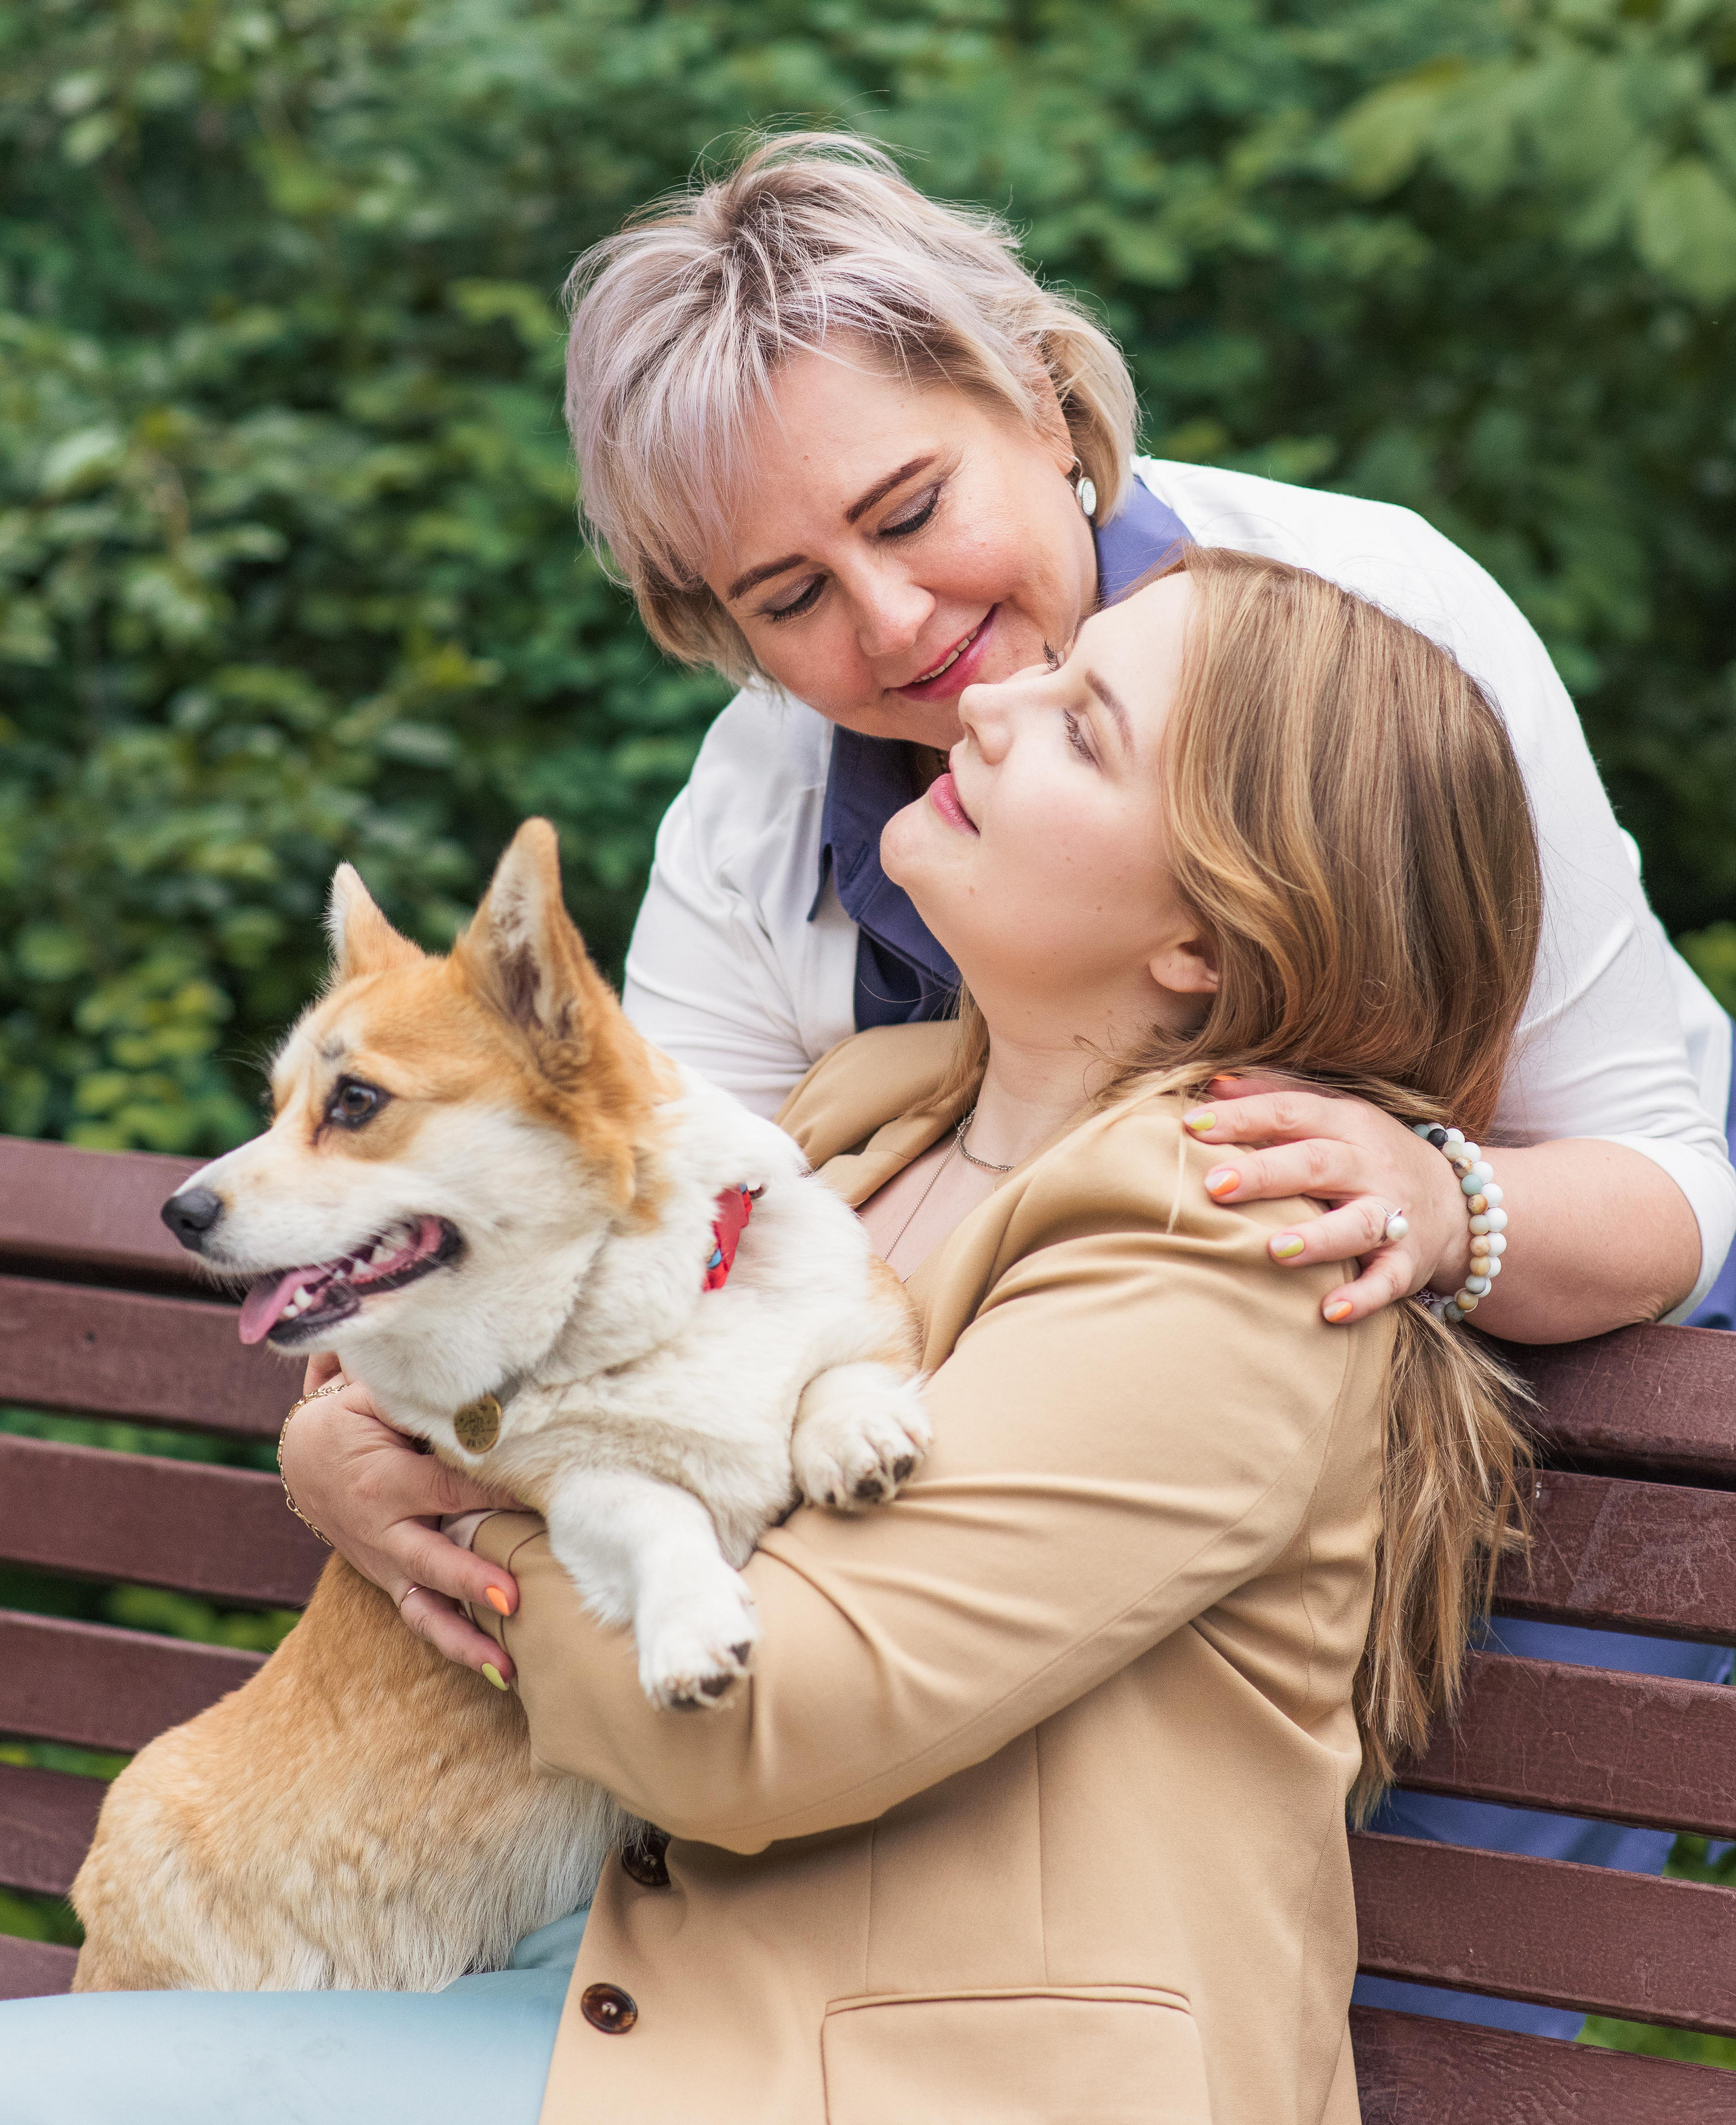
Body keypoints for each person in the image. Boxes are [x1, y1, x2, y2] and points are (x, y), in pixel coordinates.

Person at [16, 550, 1539, 2124]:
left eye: (1082, 726)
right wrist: (335, 1438)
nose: (992, 700)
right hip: (649, 1992)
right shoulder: (870, 1105)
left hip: (933, 2077)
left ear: (1201, 945)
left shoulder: (1236, 1241)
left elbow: (753, 1722)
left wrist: (464, 1516)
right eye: (1050, 668)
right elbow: (506, 1289)